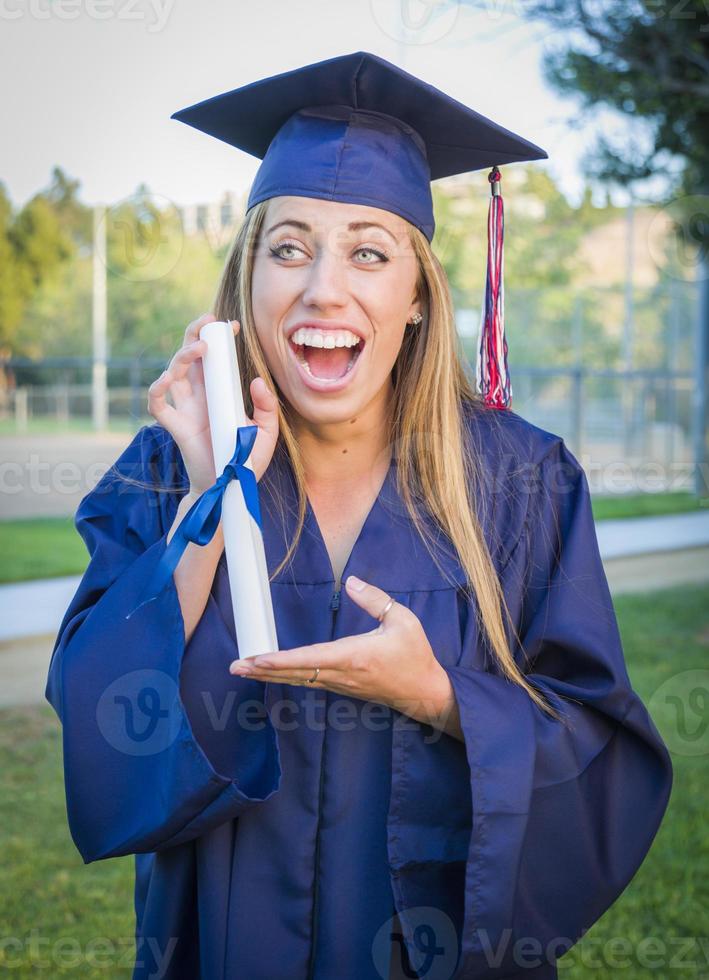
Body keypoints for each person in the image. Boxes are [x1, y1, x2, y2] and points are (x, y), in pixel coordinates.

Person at [46, 52, 673, 980]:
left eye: (369, 253)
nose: (322, 290)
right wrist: (210, 494)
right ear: (245, 280)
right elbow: (95, 711)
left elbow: (603, 755)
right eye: (289, 247)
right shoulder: (164, 469)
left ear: (416, 296)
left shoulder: (520, 481)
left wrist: (438, 695)